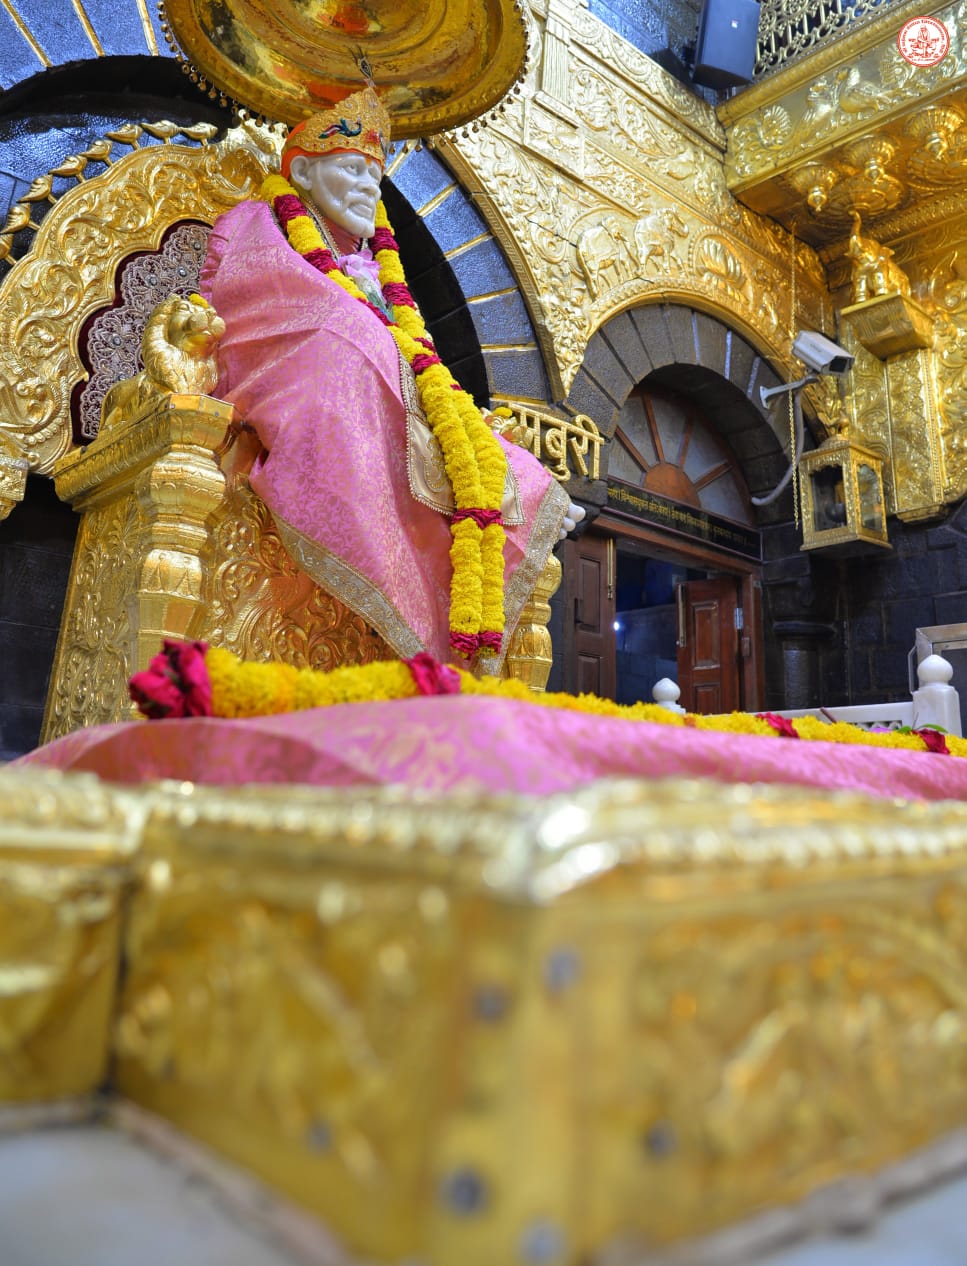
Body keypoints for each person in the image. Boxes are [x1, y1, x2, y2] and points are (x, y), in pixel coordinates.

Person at [200, 85, 578, 668]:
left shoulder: (372, 268)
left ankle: (525, 498)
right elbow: (250, 299)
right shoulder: (256, 221)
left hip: (385, 389)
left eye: (374, 179)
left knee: (480, 437)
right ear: (300, 170)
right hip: (297, 371)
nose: (367, 189)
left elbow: (422, 367)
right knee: (348, 340)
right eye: (351, 170)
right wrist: (355, 326)